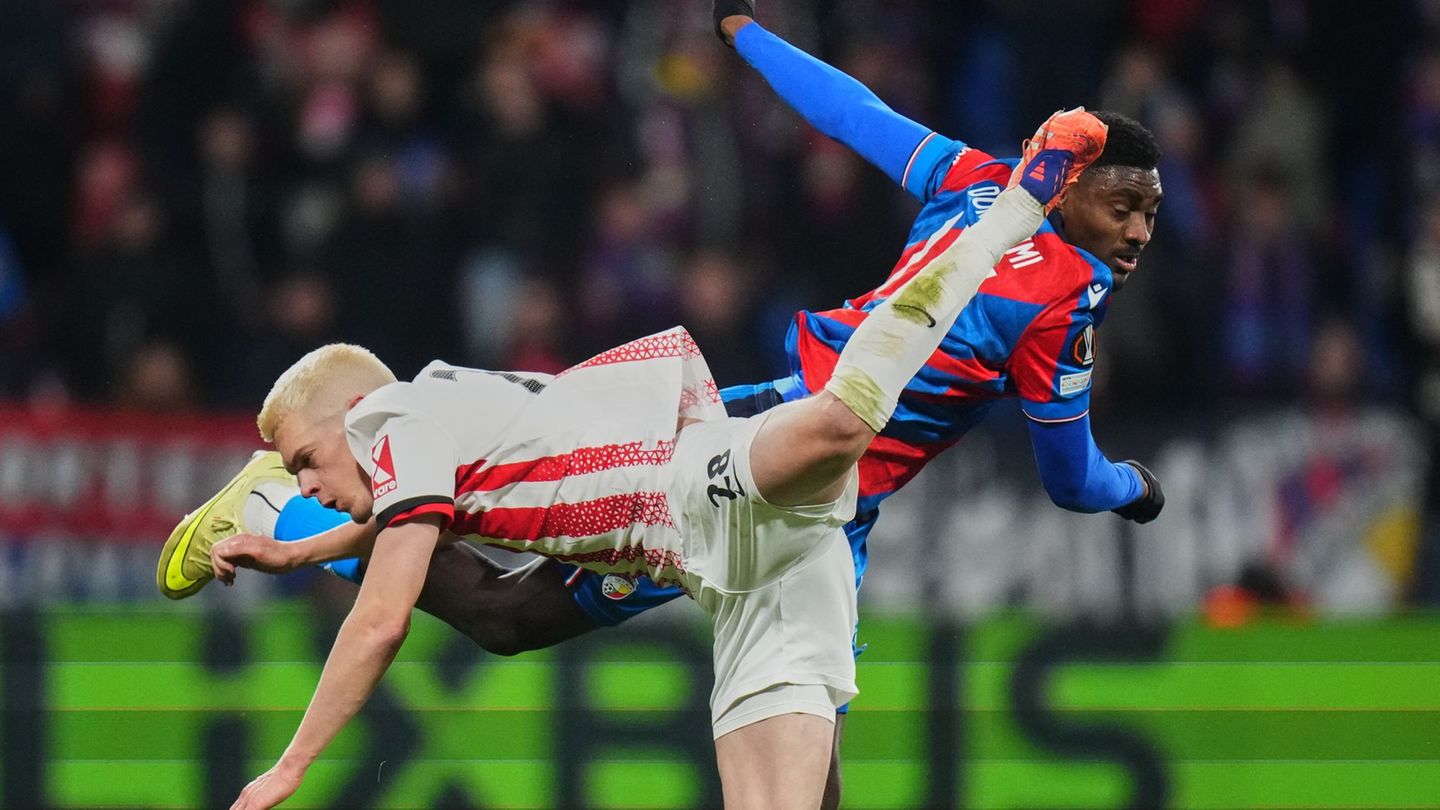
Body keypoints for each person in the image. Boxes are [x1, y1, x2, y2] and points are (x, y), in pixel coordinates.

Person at [207, 112, 1106, 809]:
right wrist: (296, 545)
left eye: (304, 462)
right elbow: (402, 535)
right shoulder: (419, 436)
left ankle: (1019, 204)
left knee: (839, 429)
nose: (317, 480)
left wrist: (290, 768)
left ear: (356, 414)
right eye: (298, 481)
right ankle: (260, 511)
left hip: (699, 490)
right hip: (739, 565)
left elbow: (378, 623)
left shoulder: (395, 421)